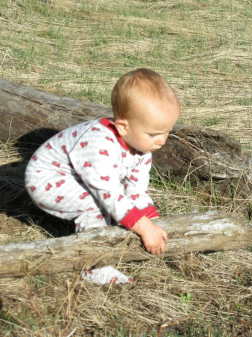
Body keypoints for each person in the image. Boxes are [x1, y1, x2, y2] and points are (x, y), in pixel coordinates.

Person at [24, 68, 180, 283]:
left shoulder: (142, 149)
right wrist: (142, 227)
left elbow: (135, 189)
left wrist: (151, 220)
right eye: (154, 134)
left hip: (77, 177)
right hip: (47, 180)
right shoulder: (98, 145)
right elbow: (109, 194)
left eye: (167, 132)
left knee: (116, 207)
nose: (162, 141)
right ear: (123, 127)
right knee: (95, 206)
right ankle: (93, 265)